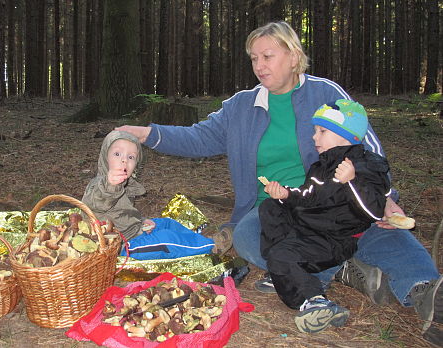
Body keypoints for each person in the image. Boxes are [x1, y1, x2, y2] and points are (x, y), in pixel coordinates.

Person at [116, 21, 442, 345]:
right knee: (247, 236)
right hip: (276, 209)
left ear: (292, 55)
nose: (259, 65)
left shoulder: (325, 94)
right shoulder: (241, 107)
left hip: (331, 197)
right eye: (254, 58)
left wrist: (385, 198)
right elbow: (198, 138)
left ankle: (424, 289)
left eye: (267, 56)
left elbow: (368, 149)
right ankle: (341, 268)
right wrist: (143, 133)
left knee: (376, 224)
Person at [259, 99, 390, 333]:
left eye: (322, 131)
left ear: (346, 135)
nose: (314, 137)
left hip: (335, 240)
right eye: (314, 131)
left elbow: (374, 211)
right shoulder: (321, 167)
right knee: (270, 208)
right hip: (311, 229)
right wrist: (286, 195)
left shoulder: (367, 166)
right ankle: (281, 271)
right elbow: (309, 196)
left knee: (280, 255)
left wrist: (352, 182)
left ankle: (315, 300)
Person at [82, 130, 214, 260]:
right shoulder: (99, 185)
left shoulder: (125, 184)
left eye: (131, 157)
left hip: (134, 231)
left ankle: (194, 239)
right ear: (105, 157)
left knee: (167, 223)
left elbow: (123, 213)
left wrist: (141, 221)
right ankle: (210, 246)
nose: (124, 160)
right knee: (166, 240)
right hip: (121, 246)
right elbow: (99, 202)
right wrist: (110, 184)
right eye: (117, 154)